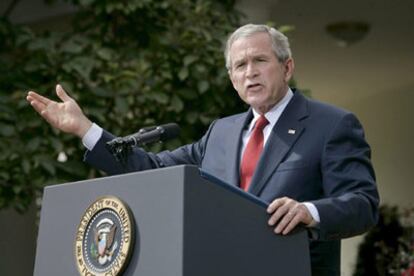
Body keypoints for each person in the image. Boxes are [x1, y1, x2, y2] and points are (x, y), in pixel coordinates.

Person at [27, 24, 379, 275]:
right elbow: (152, 169)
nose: (250, 73)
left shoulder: (331, 125)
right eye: (240, 66)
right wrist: (85, 130)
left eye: (260, 61)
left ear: (287, 68)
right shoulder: (221, 133)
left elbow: (362, 203)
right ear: (232, 80)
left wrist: (310, 211)